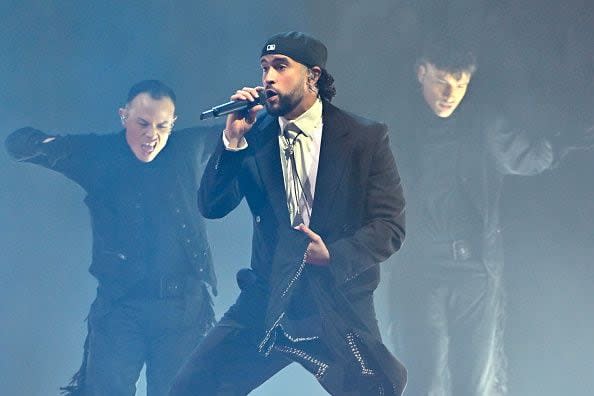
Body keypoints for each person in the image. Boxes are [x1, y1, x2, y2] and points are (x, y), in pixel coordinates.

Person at [170, 31, 407, 395]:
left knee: (376, 389)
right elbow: (212, 207)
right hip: (269, 296)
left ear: (313, 76)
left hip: (336, 300)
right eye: (265, 67)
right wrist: (232, 141)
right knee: (192, 388)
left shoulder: (364, 137)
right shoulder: (254, 135)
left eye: (281, 67)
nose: (268, 77)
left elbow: (389, 226)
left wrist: (333, 255)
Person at [385, 40, 594, 396]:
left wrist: (575, 138)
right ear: (421, 73)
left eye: (460, 83)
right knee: (424, 381)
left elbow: (532, 156)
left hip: (474, 272)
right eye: (441, 81)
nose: (450, 94)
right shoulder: (393, 128)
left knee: (474, 384)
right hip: (417, 270)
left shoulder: (484, 127)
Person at [5, 80, 220, 396]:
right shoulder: (98, 154)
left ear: (173, 123)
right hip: (121, 307)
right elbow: (17, 144)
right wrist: (50, 145)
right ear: (124, 116)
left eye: (162, 126)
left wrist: (253, 114)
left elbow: (242, 134)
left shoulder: (187, 147)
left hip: (183, 310)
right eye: (142, 123)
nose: (152, 135)